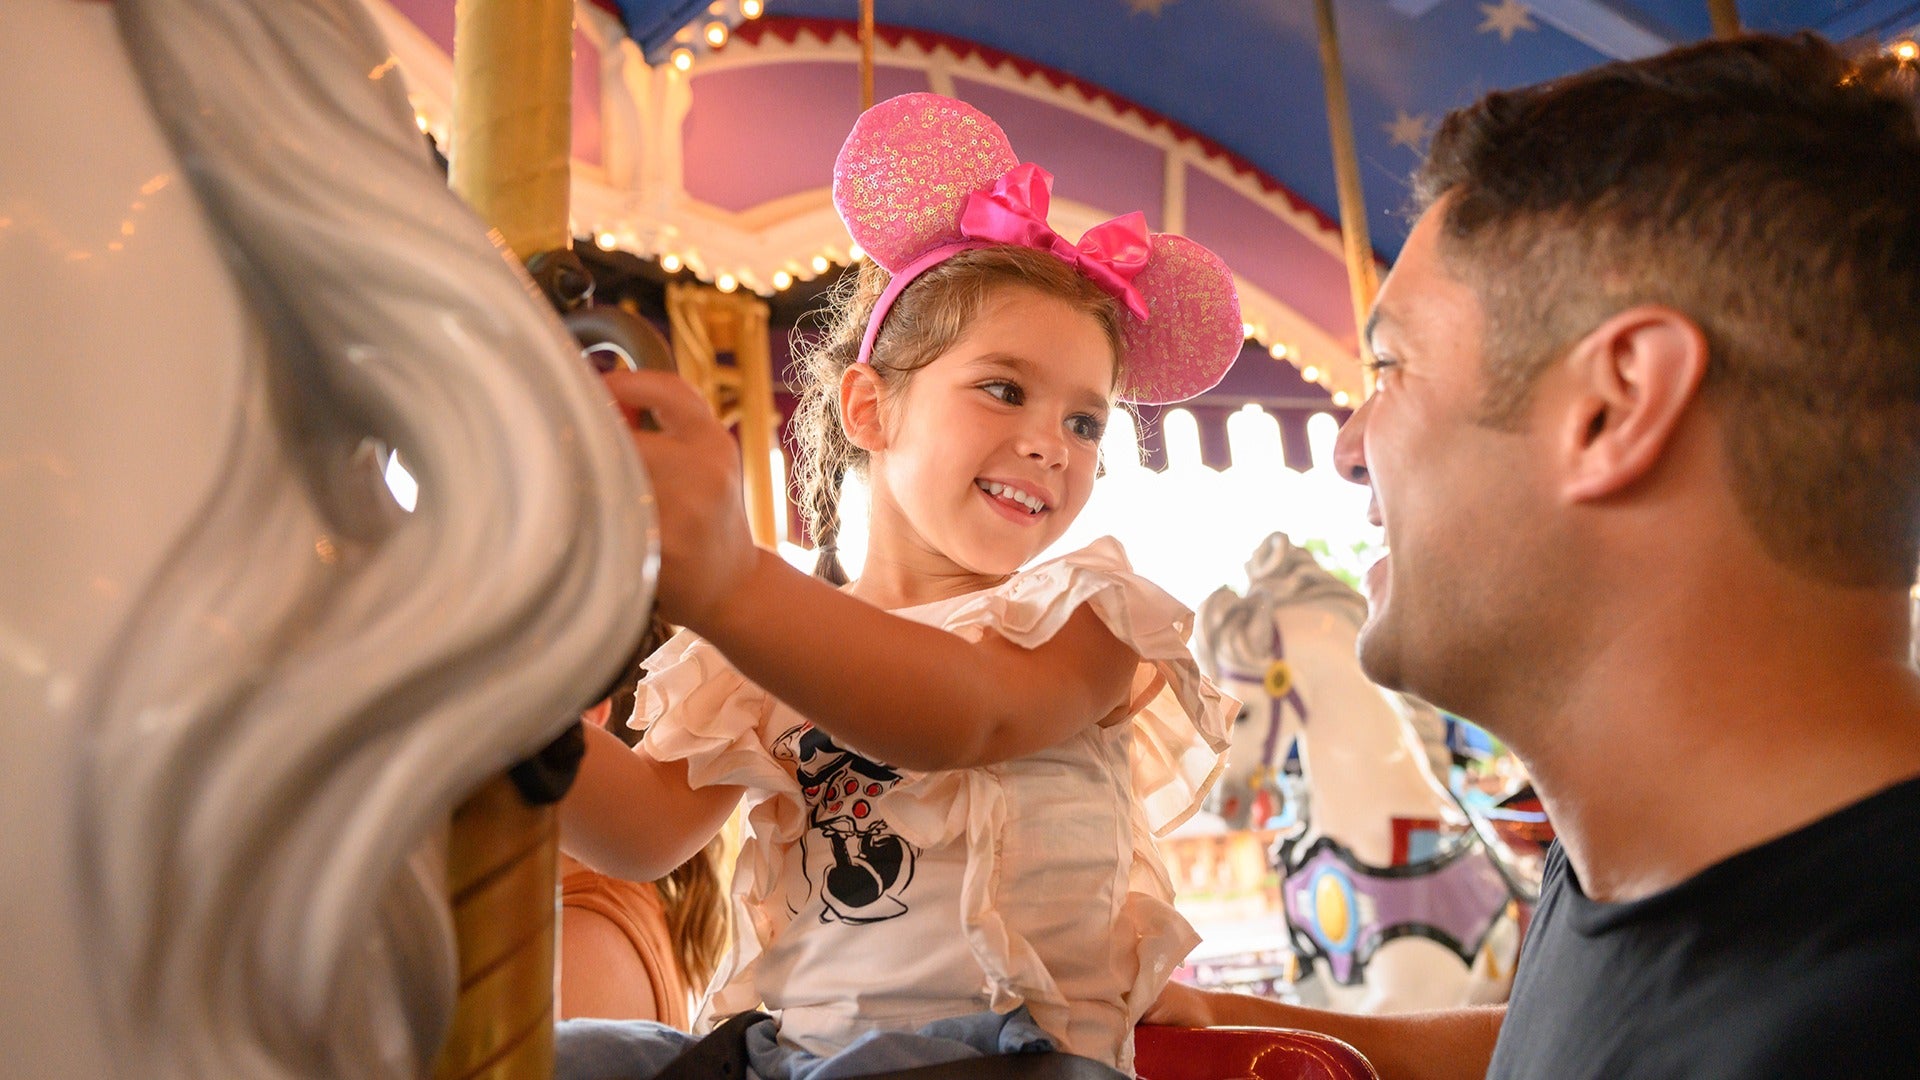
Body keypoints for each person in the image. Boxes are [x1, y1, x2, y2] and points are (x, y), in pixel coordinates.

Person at [1142, 32, 1920, 1080]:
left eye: (1393, 367)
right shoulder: (1656, 853)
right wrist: (1277, 1036)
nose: (1348, 443)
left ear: (1616, 407)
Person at [558, 92, 1245, 1078]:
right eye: (1004, 389)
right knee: (573, 1057)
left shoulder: (1084, 620)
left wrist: (728, 580)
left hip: (1003, 1058)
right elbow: (642, 833)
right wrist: (500, 701)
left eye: (1086, 422)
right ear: (872, 408)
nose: (1052, 442)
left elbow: (964, 717)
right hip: (794, 1056)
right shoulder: (768, 642)